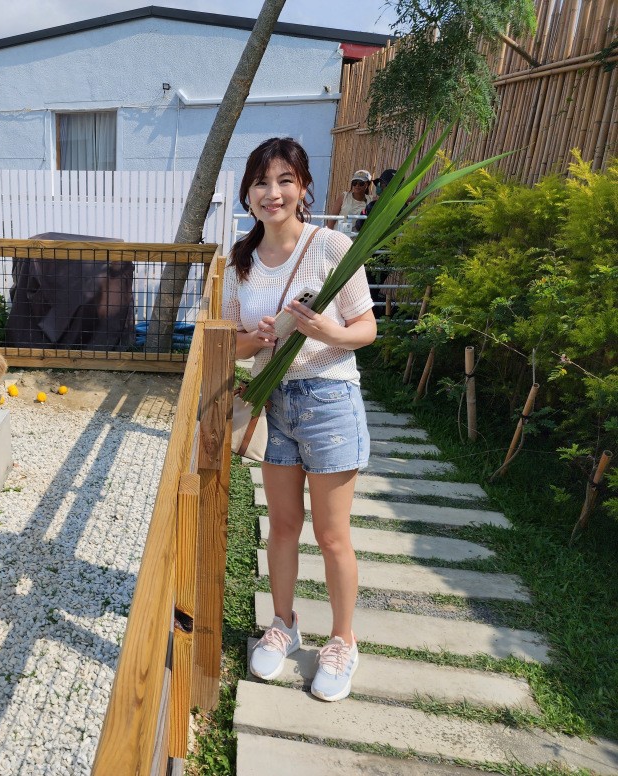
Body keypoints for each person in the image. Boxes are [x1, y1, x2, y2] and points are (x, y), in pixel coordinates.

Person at [223, 137, 376, 702]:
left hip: (329, 399)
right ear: (248, 193)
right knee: (281, 526)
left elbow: (365, 328)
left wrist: (325, 333)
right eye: (262, 182)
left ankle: (343, 641)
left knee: (333, 535)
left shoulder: (332, 245)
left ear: (304, 187)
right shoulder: (239, 261)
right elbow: (230, 344)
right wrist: (253, 339)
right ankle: (283, 624)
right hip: (273, 401)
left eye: (285, 180)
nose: (273, 193)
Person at [328, 169, 373, 234]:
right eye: (354, 183)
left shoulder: (371, 200)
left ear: (367, 184)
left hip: (357, 240)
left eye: (361, 183)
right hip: (339, 237)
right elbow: (333, 218)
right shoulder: (344, 197)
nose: (357, 185)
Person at [354, 168, 397, 233]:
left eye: (381, 184)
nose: (379, 186)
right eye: (354, 183)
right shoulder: (405, 206)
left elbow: (359, 225)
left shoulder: (373, 205)